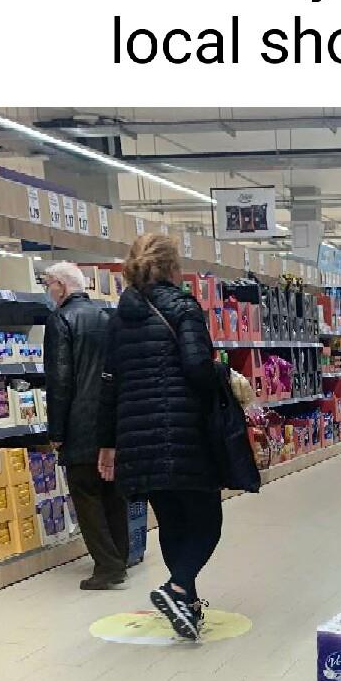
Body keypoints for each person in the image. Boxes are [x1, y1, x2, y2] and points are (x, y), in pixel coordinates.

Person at [100, 233, 225, 640]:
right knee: (207, 521)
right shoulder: (183, 308)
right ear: (174, 268)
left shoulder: (118, 318)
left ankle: (185, 606)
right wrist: (223, 373)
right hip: (181, 433)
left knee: (171, 522)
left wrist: (108, 443)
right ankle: (177, 587)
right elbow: (197, 370)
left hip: (135, 437)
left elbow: (108, 384)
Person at [42, 261, 129, 590]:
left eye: (48, 284)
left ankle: (107, 567)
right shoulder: (106, 316)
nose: (47, 290)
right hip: (109, 421)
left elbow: (60, 380)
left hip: (79, 424)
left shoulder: (60, 319)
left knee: (86, 493)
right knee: (112, 490)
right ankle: (120, 556)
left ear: (62, 287)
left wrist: (57, 432)